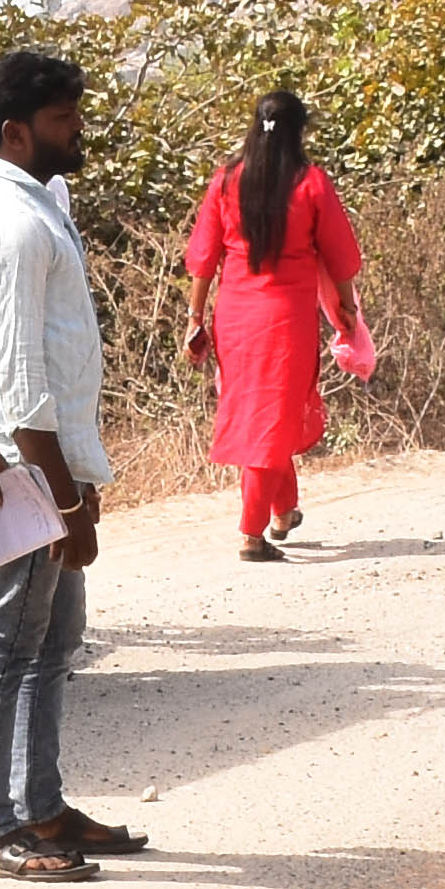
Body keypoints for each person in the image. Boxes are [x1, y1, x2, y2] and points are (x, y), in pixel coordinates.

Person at [0, 47, 140, 883]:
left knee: (52, 640)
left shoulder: (33, 204)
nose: (78, 130)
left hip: (46, 466)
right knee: (2, 644)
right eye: (63, 120)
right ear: (16, 132)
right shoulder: (10, 221)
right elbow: (21, 384)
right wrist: (66, 502)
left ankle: (43, 809)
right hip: (24, 472)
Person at [178, 84, 367, 561]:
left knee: (261, 412)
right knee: (272, 415)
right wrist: (347, 311)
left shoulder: (225, 182)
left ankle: (283, 511)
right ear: (298, 132)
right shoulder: (311, 183)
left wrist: (195, 318)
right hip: (287, 320)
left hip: (236, 318)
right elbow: (340, 256)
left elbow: (203, 258)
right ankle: (251, 531)